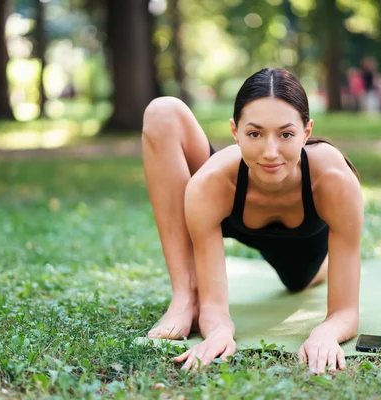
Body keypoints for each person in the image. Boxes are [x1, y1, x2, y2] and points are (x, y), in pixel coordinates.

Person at [141, 68, 363, 374]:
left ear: (306, 132)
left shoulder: (335, 181)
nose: (270, 153)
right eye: (254, 134)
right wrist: (219, 331)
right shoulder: (210, 184)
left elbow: (345, 312)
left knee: (301, 281)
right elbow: (215, 309)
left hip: (303, 247)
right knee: (162, 111)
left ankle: (322, 268)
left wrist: (325, 333)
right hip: (234, 211)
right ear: (235, 132)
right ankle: (183, 299)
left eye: (286, 134)